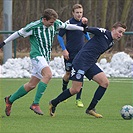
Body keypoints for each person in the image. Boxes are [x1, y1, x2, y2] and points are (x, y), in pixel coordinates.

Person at [0, 8, 85, 116]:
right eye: (51, 22)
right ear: (44, 19)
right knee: (48, 74)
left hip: (45, 58)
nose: (53, 24)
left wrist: (82, 29)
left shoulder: (55, 23)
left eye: (54, 22)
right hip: (36, 56)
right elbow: (17, 33)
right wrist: (4, 43)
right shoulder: (34, 26)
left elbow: (67, 26)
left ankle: (10, 100)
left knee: (31, 85)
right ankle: (35, 104)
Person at [49, 22, 127, 118]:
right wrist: (84, 23)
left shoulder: (111, 43)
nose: (120, 35)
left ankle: (91, 109)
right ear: (113, 29)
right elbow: (86, 29)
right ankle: (53, 103)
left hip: (90, 64)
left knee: (105, 83)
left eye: (122, 33)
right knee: (75, 89)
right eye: (119, 31)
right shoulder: (102, 32)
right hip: (80, 62)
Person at [57, 4, 90, 107]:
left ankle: (78, 99)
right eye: (77, 12)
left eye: (81, 12)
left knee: (80, 74)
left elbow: (86, 34)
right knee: (68, 73)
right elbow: (59, 36)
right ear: (73, 13)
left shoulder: (83, 23)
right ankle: (64, 93)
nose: (79, 14)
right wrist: (64, 50)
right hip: (70, 53)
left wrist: (90, 42)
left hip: (81, 53)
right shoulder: (67, 23)